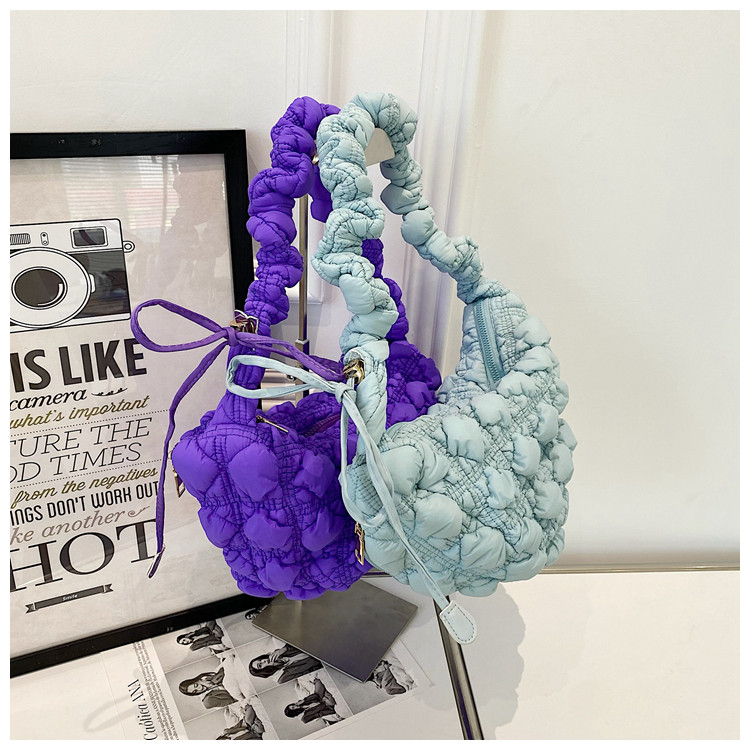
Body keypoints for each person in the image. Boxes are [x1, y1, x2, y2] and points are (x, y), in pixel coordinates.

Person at [247, 644, 322, 684]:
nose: (263, 661)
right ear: (263, 672)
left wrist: (285, 649)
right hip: (320, 659)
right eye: (260, 665)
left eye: (260, 660)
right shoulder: (281, 678)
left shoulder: (278, 653)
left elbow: (299, 642)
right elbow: (311, 671)